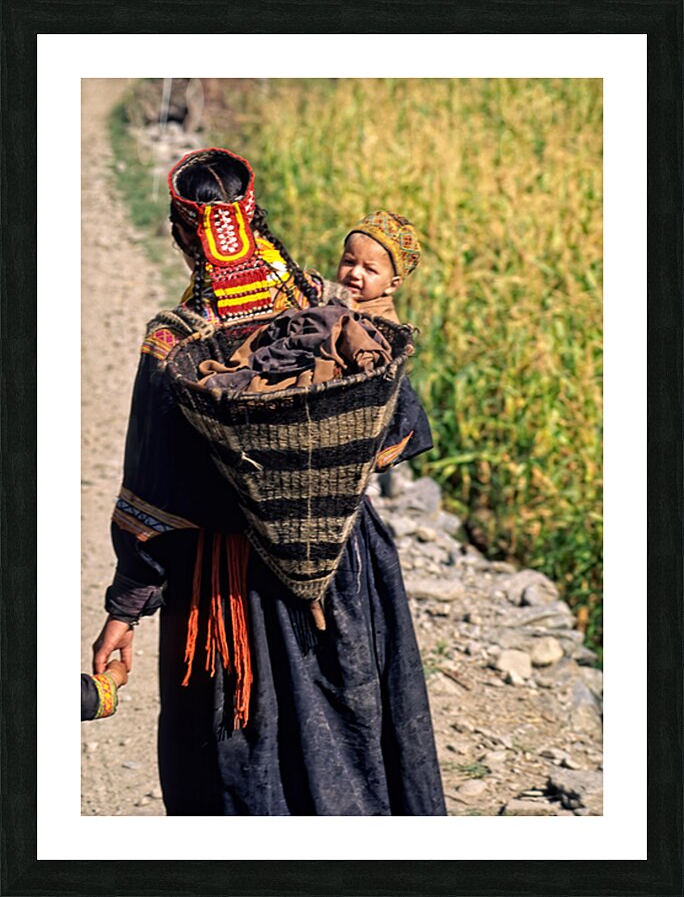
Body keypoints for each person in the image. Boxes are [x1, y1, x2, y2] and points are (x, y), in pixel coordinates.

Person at [91, 147, 446, 815]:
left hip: (225, 589)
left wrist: (125, 610)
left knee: (243, 765)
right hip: (342, 558)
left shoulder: (176, 343)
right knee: (359, 735)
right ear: (253, 220)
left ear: (180, 233)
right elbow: (400, 429)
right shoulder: (322, 305)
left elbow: (154, 492)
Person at [336, 210, 421, 324]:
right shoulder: (332, 298)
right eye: (349, 262)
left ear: (391, 285)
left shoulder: (378, 325)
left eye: (369, 269)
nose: (354, 273)